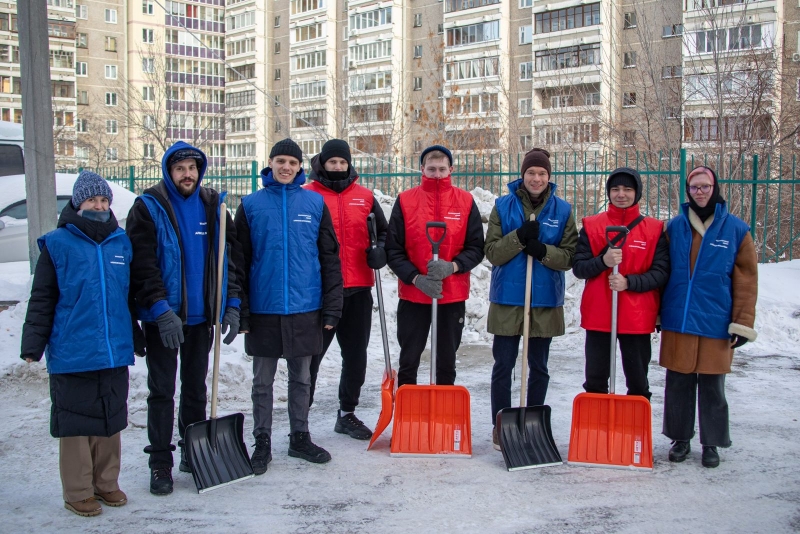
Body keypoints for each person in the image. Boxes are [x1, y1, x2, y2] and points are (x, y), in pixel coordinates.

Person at [126, 141, 243, 495]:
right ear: (168, 171)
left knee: (195, 388)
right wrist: (161, 312)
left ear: (200, 170)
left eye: (192, 168)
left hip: (201, 319)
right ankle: (161, 461)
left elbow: (230, 262)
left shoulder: (216, 208)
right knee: (162, 391)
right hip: (165, 320)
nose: (187, 174)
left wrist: (232, 304)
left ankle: (194, 451)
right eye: (180, 169)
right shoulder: (148, 208)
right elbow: (142, 268)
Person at [21, 171, 137, 516]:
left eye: (103, 200)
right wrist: (33, 343)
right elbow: (42, 297)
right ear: (77, 203)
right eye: (91, 200)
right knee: (76, 423)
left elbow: (126, 297)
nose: (99, 206)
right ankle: (77, 490)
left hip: (113, 346)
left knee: (111, 419)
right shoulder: (57, 244)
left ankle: (106, 483)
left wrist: (139, 333)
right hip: (73, 347)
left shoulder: (121, 242)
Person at [235, 138, 343, 474]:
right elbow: (239, 263)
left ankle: (299, 437)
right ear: (270, 163)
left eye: (292, 163)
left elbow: (329, 257)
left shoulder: (313, 204)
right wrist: (242, 310)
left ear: (300, 167)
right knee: (262, 382)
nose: (286, 167)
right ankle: (262, 441)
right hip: (265, 309)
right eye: (280, 161)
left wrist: (331, 306)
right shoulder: (251, 205)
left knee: (301, 378)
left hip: (305, 306)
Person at [659, 165, 758, 468]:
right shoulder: (674, 227)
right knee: (678, 382)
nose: (700, 192)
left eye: (705, 186)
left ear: (715, 188)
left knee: (713, 387)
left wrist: (742, 321)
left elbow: (746, 279)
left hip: (716, 318)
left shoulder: (736, 230)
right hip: (680, 316)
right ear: (687, 191)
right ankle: (680, 439)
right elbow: (662, 272)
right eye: (694, 187)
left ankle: (711, 442)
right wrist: (657, 312)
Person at [484, 148, 578, 450]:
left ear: (549, 177)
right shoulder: (503, 206)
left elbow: (569, 258)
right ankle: (501, 423)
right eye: (531, 173)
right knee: (504, 364)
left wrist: (542, 252)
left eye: (542, 173)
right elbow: (493, 253)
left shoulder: (563, 211)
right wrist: (519, 238)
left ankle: (533, 422)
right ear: (522, 176)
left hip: (544, 299)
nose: (536, 178)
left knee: (538, 366)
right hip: (508, 297)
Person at [305, 139, 389, 440]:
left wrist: (380, 250)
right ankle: (301, 418)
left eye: (343, 162)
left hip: (358, 288)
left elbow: (384, 233)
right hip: (320, 292)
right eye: (332, 162)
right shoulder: (308, 195)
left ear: (349, 164)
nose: (338, 167)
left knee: (355, 355)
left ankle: (346, 413)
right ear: (323, 163)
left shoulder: (364, 197)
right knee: (311, 356)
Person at [385, 145, 485, 387]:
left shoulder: (465, 201)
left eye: (442, 169)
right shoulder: (406, 201)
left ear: (451, 169)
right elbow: (393, 250)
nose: (437, 174)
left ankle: (443, 411)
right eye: (432, 169)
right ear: (422, 169)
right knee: (409, 357)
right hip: (413, 295)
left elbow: (476, 247)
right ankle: (408, 411)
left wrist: (453, 267)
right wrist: (416, 279)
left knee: (446, 360)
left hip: (451, 295)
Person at [572, 167, 669, 401]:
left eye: (627, 189)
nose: (621, 194)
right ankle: (597, 430)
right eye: (615, 189)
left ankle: (633, 431)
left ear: (637, 192)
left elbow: (661, 271)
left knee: (637, 379)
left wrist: (629, 282)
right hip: (600, 314)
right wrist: (602, 261)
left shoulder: (654, 230)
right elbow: (579, 267)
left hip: (637, 316)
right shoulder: (592, 225)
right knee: (595, 379)